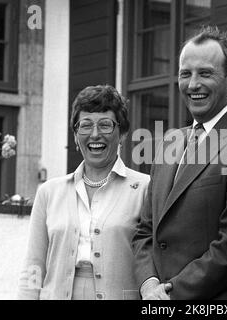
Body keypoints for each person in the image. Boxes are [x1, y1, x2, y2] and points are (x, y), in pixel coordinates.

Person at [132, 26, 227, 300]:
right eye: (185, 74)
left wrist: (170, 294)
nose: (193, 84)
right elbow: (144, 231)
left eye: (205, 73)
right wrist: (148, 284)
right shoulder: (170, 142)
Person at [17, 85, 149, 300]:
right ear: (76, 136)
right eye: (85, 126)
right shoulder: (49, 192)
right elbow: (34, 264)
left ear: (122, 133)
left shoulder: (145, 189)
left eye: (105, 125)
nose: (95, 134)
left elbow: (153, 260)